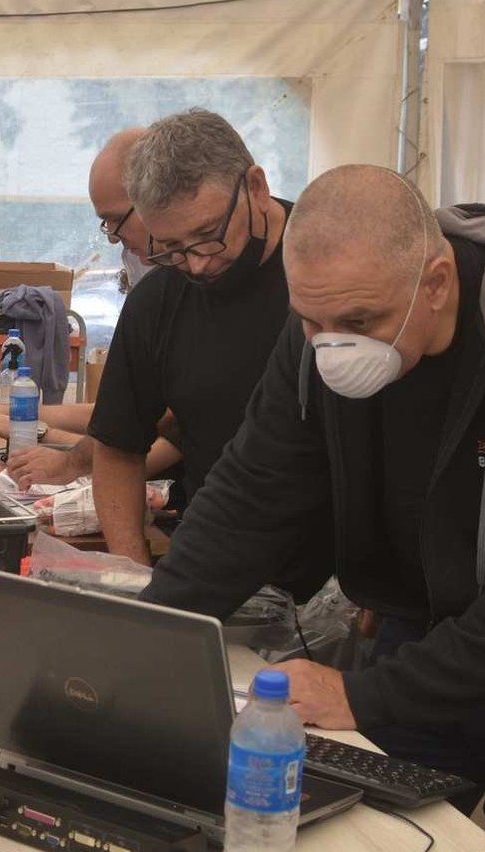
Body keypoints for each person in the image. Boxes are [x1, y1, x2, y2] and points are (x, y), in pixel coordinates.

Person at [143, 164, 485, 852]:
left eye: (358, 323)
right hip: (416, 627)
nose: (330, 346)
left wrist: (366, 697)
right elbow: (250, 489)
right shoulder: (325, 318)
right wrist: (147, 636)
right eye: (309, 322)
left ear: (437, 284)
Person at [82, 110, 327, 597]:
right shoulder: (158, 299)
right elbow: (117, 447)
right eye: (170, 247)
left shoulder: (328, 264)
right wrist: (132, 575)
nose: (195, 262)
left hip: (336, 581)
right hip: (216, 576)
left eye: (210, 234)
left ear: (255, 186)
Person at [0, 128, 182, 488]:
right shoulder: (164, 301)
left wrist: (43, 435)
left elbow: (157, 443)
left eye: (115, 221)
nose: (112, 238)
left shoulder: (202, 303)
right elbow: (120, 415)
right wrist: (16, 413)